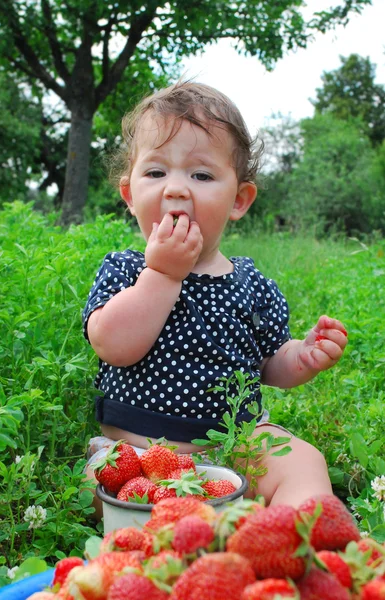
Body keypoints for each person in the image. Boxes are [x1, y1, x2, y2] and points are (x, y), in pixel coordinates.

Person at [82, 81, 348, 515]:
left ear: (238, 200)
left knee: (301, 461)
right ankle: (189, 535)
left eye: (201, 175)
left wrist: (301, 357)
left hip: (233, 449)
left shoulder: (251, 284)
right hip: (137, 457)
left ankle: (305, 535)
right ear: (130, 195)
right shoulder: (126, 270)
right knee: (96, 483)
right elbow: (113, 345)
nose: (176, 189)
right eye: (155, 172)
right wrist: (163, 274)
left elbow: (268, 364)